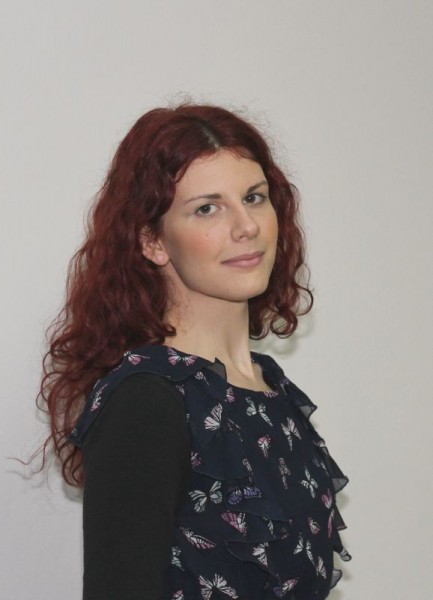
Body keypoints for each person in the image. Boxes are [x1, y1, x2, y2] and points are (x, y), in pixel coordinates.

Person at [39, 104, 350, 600]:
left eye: (254, 198)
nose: (246, 226)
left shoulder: (274, 392)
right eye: (207, 208)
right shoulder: (148, 401)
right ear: (152, 241)